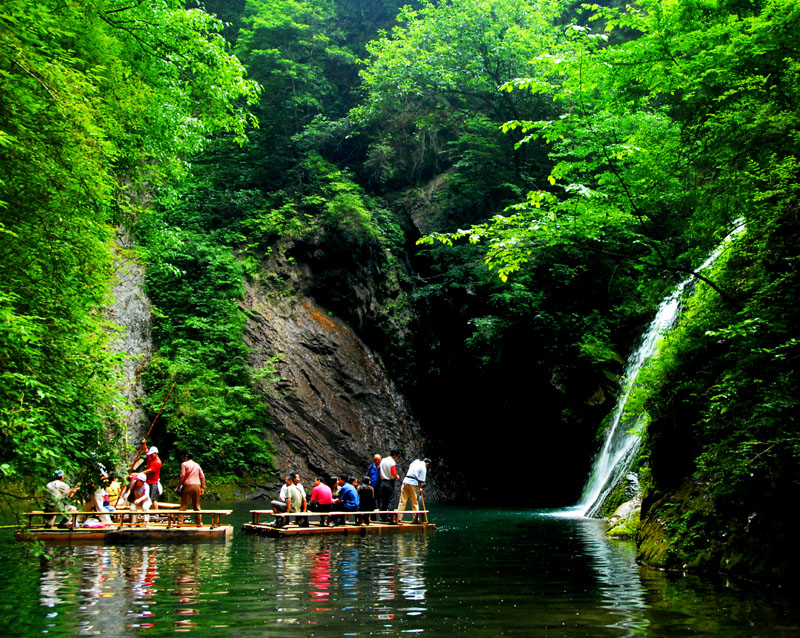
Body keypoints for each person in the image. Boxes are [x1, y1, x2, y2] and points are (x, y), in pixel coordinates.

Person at [398, 458, 431, 523]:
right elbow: (420, 480)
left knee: (402, 501)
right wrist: (419, 488)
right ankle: (415, 519)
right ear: (427, 463)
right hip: (413, 483)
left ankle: (398, 518)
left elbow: (410, 467)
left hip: (405, 481)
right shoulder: (423, 467)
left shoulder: (416, 461)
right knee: (415, 502)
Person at [177, 452, 205, 526]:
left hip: (188, 485)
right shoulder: (197, 465)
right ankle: (200, 522)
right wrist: (202, 487)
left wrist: (179, 485)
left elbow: (182, 475)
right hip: (197, 486)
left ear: (186, 458)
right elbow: (202, 477)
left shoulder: (184, 464)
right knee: (196, 505)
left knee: (184, 505)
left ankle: (180, 522)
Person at [379, 450, 400, 521]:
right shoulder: (392, 462)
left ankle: (383, 517)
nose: (397, 458)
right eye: (397, 456)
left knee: (383, 500)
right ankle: (390, 517)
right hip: (390, 482)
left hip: (382, 482)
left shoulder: (383, 460)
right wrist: (397, 476)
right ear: (394, 455)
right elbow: (393, 472)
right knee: (391, 500)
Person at [143, 445, 162, 510]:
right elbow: (146, 450)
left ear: (156, 454)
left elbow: (150, 471)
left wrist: (141, 473)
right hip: (147, 481)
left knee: (153, 498)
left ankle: (156, 512)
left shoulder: (157, 462)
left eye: (152, 454)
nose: (150, 455)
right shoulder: (150, 457)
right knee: (144, 496)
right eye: (150, 454)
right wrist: (144, 444)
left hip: (153, 482)